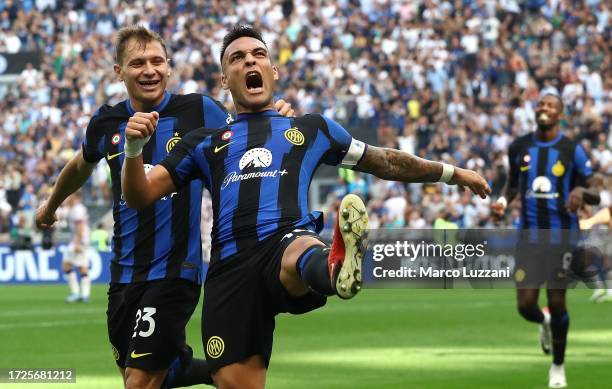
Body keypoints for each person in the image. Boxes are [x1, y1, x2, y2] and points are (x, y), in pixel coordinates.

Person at [121, 24, 491, 389]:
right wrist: (134, 150)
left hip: (284, 240)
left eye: (258, 54)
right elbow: (140, 195)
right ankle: (329, 267)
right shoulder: (206, 143)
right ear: (224, 79)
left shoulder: (311, 129)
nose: (250, 61)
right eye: (238, 58)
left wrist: (453, 173)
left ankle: (334, 266)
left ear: (273, 71)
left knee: (297, 249)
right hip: (230, 272)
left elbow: (387, 162)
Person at [35, 25, 294, 389]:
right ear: (118, 72)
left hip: (175, 273)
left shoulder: (200, 111)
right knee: (151, 373)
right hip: (123, 275)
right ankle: (225, 370)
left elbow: (247, 133)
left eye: (157, 61)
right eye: (137, 63)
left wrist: (273, 115)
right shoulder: (106, 122)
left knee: (139, 381)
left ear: (169, 67)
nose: (149, 70)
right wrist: (50, 205)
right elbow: (81, 163)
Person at [491, 93, 600, 388]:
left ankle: (558, 367)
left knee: (558, 301)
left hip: (561, 238)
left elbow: (596, 190)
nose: (544, 108)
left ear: (560, 114)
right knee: (525, 306)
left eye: (550, 105)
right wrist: (502, 201)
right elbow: (512, 184)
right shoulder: (519, 146)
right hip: (528, 237)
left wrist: (580, 193)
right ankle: (544, 322)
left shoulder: (571, 149)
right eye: (540, 104)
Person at [63, 192, 91, 303]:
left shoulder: (77, 209)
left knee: (67, 265)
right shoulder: (77, 208)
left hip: (79, 241)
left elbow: (80, 226)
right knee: (81, 266)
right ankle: (84, 294)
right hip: (81, 240)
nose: (67, 198)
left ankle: (77, 293)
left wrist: (77, 243)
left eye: (70, 195)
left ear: (76, 197)